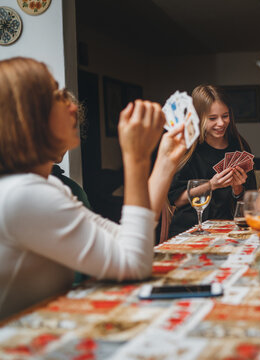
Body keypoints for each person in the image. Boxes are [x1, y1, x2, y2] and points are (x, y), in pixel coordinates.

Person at [0, 57, 186, 320]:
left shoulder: (45, 186)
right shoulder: (22, 195)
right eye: (56, 97)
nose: (73, 108)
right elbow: (134, 264)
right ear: (27, 117)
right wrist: (136, 158)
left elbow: (128, 238)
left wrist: (165, 161)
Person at [168, 85, 257, 236]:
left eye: (225, 116)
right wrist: (211, 185)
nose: (221, 123)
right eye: (212, 118)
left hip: (228, 229)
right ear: (198, 118)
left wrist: (237, 190)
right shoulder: (187, 150)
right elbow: (177, 200)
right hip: (190, 230)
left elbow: (250, 202)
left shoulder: (240, 145)